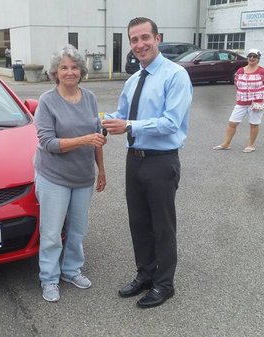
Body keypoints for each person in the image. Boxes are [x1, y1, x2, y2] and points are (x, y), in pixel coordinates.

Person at [103, 17, 192, 309]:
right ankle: (145, 275)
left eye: (145, 38)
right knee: (139, 223)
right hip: (135, 160)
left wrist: (129, 126)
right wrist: (95, 119)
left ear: (158, 37)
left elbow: (170, 123)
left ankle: (165, 284)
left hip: (161, 161)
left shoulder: (175, 75)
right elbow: (120, 114)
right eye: (134, 40)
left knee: (162, 225)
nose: (140, 45)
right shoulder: (133, 80)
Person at [34, 44, 107, 303]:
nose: (69, 72)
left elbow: (97, 137)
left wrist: (101, 170)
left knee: (78, 230)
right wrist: (84, 139)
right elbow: (48, 143)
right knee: (52, 233)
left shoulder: (90, 98)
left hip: (83, 177)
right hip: (54, 177)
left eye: (74, 67)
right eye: (64, 67)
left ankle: (71, 270)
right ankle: (49, 278)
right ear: (55, 72)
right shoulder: (47, 101)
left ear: (81, 71)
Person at [212, 48, 264, 153]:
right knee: (232, 123)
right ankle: (226, 144)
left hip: (256, 103)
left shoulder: (262, 71)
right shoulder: (240, 71)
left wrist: (257, 95)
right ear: (247, 58)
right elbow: (236, 83)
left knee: (253, 123)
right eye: (250, 56)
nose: (252, 58)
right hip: (241, 102)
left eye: (254, 56)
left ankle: (251, 145)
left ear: (258, 59)